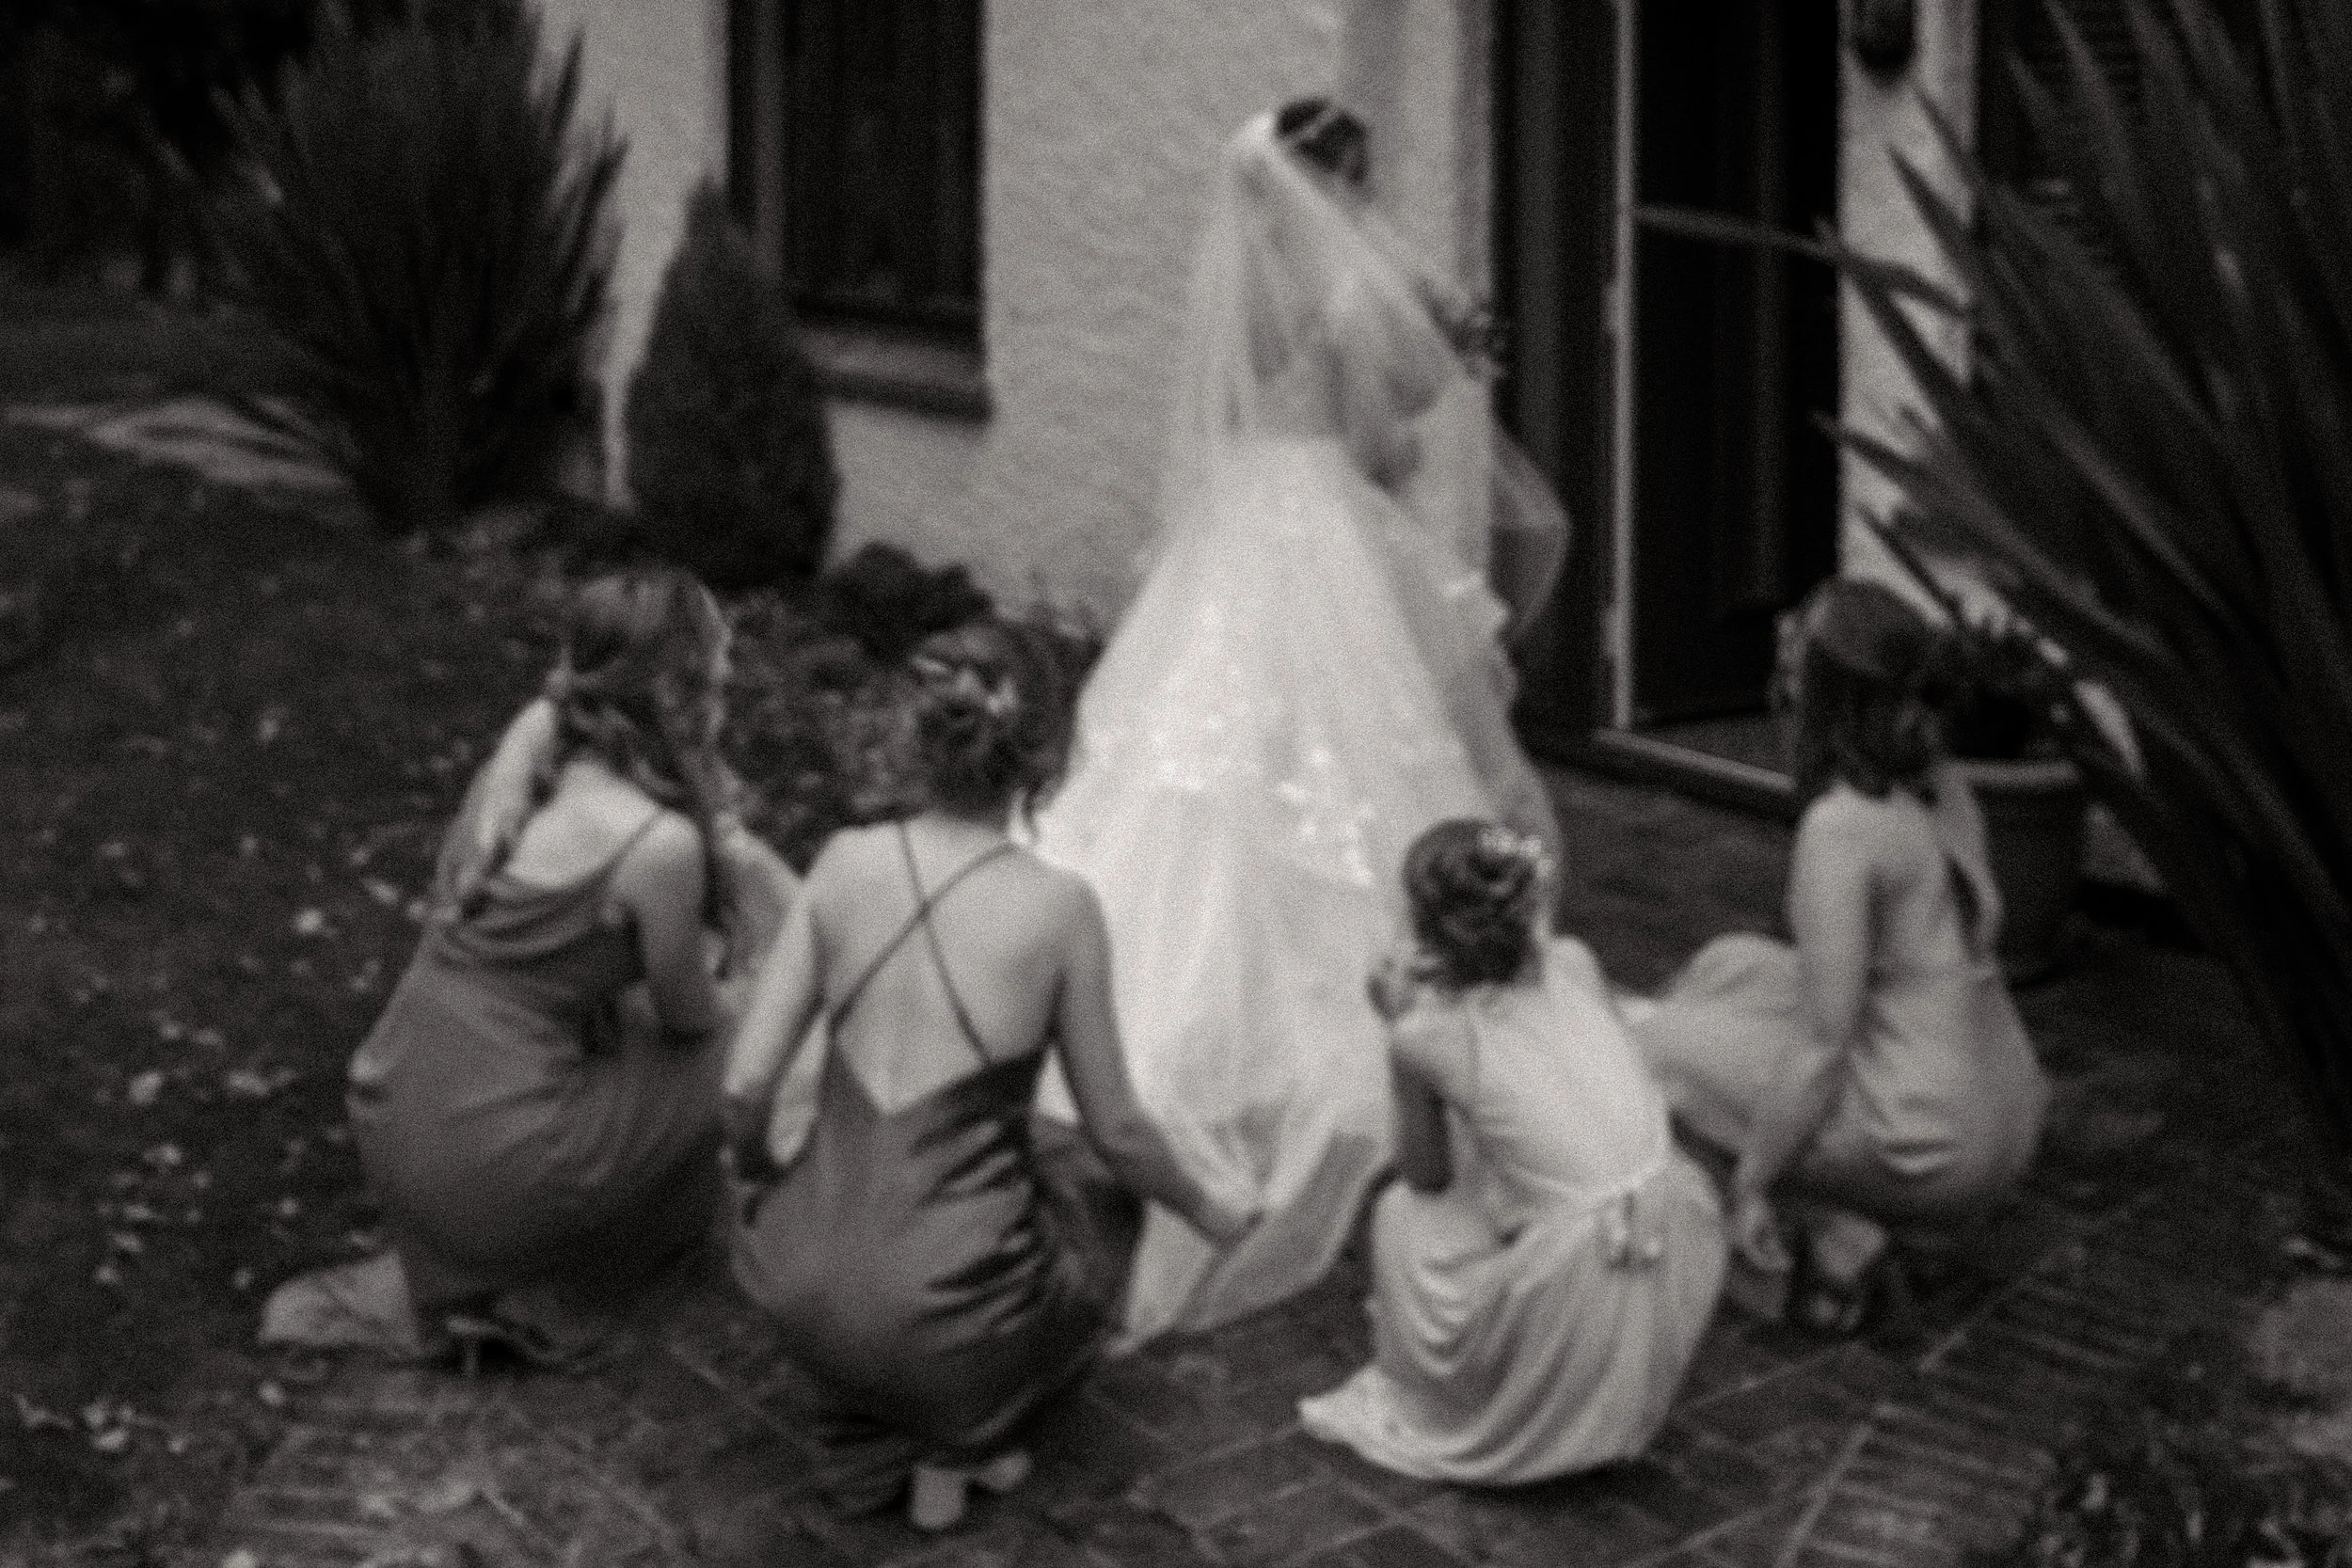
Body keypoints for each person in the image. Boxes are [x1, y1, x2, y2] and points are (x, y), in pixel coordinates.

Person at [1027, 96, 1574, 1344]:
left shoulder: (1233, 286)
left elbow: (1224, 427)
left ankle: (1173, 1047)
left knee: (1206, 789)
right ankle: (1339, 1052)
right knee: (1359, 768)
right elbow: (1382, 441)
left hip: (1232, 540)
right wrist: (1447, 360)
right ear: (1325, 188)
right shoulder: (1334, 288)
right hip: (1319, 532)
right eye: (1359, 187)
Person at [723, 620, 1260, 1532]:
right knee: (1094, 1187)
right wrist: (1209, 1210)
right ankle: (963, 1437)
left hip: (796, 1280)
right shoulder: (1059, 910)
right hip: (953, 1302)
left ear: (915, 735)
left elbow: (744, 1083)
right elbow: (1121, 1130)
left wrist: (757, 1175)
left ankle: (883, 1424)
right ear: (1040, 760)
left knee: (870, 1237)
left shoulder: (845, 861)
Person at [346, 567, 796, 1365]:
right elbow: (693, 1017)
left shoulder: (521, 770)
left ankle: (542, 1254)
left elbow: (544, 709)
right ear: (677, 694)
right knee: (758, 1027)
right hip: (499, 1164)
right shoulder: (657, 846)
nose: (728, 690)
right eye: (717, 674)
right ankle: (583, 1264)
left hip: (393, 1100)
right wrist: (763, 966)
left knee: (611, 1016)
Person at [1629, 578, 2053, 1334]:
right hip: (2007, 1105)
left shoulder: (1843, 827)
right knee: (1732, 963)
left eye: (1794, 666)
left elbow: (1825, 1046)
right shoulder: (1942, 782)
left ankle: (1831, 1231)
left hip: (1935, 1138)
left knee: (1647, 1045)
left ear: (1829, 693)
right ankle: (1842, 1213)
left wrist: (1752, 1183)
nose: (1781, 681)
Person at [1298, 820, 1726, 1482]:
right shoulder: (1577, 961)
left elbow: (1426, 1171)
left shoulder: (1429, 1035)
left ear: (1428, 929)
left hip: (1578, 1278)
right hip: (1672, 1224)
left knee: (1402, 1215)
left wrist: (1397, 1024)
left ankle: (1468, 1401)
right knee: (1528, 1169)